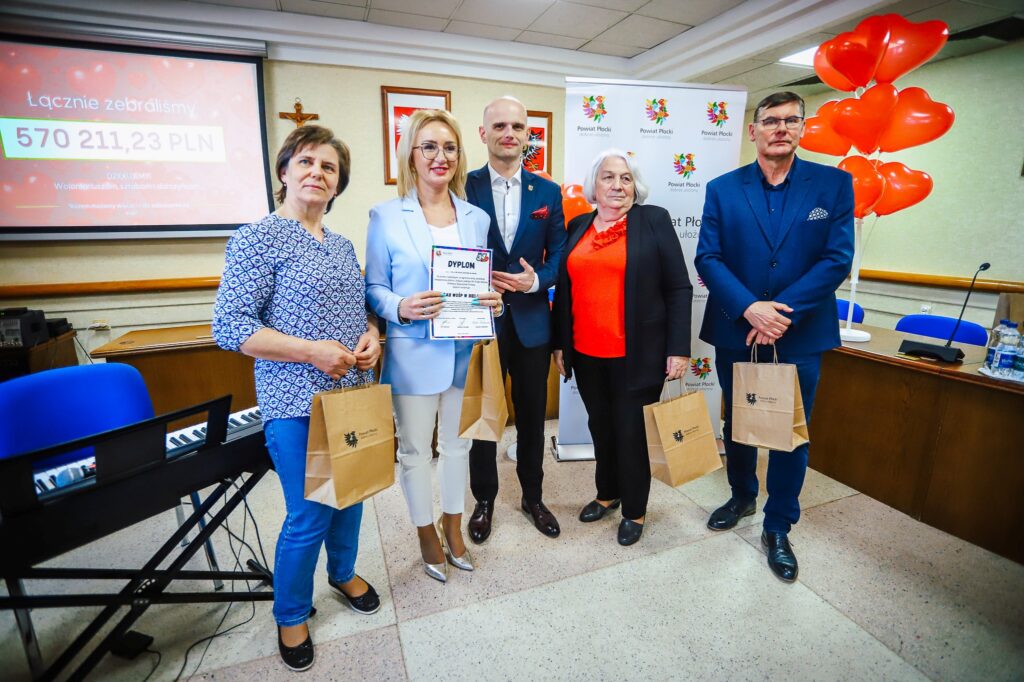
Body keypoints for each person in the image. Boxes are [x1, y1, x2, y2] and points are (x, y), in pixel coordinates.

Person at [212, 124, 382, 673]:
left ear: (338, 185)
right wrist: (311, 352)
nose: (316, 172)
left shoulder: (341, 244)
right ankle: (290, 612)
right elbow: (230, 326)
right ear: (284, 173)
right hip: (294, 401)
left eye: (328, 167)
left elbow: (357, 312)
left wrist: (372, 334)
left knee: (351, 495)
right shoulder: (256, 237)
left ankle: (342, 572)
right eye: (306, 162)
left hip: (351, 395)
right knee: (307, 513)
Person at [695, 91, 854, 583]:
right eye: (770, 121)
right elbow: (709, 257)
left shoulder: (833, 185)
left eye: (791, 120)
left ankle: (779, 524)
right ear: (753, 130)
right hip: (735, 330)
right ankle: (742, 495)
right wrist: (750, 308)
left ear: (802, 128)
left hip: (800, 333)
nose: (780, 128)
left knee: (790, 435)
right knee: (738, 420)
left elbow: (836, 259)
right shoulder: (723, 188)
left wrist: (779, 314)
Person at [365, 109, 502, 584]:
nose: (440, 156)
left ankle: (453, 523)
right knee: (415, 452)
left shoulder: (476, 218)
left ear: (460, 156)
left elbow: (480, 285)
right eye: (429, 147)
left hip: (465, 353)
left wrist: (494, 302)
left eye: (449, 147)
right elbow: (374, 288)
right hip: (412, 353)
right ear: (412, 156)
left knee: (459, 446)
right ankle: (426, 531)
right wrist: (402, 306)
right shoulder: (384, 216)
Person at [551, 148, 692, 546]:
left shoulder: (653, 221)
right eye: (608, 177)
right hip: (588, 353)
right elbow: (565, 291)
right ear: (593, 186)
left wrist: (678, 349)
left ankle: (634, 509)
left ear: (636, 186)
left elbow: (679, 287)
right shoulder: (578, 225)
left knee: (631, 434)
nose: (617, 185)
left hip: (639, 355)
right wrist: (561, 344)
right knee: (602, 429)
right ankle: (607, 493)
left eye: (626, 178)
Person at [464, 96, 567, 543]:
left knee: (531, 417)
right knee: (485, 417)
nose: (510, 133)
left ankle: (532, 496)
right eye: (500, 126)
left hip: (531, 323)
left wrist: (534, 282)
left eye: (519, 127)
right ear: (483, 134)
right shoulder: (460, 186)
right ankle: (484, 500)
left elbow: (560, 255)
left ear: (528, 137)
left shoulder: (547, 192)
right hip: (479, 322)